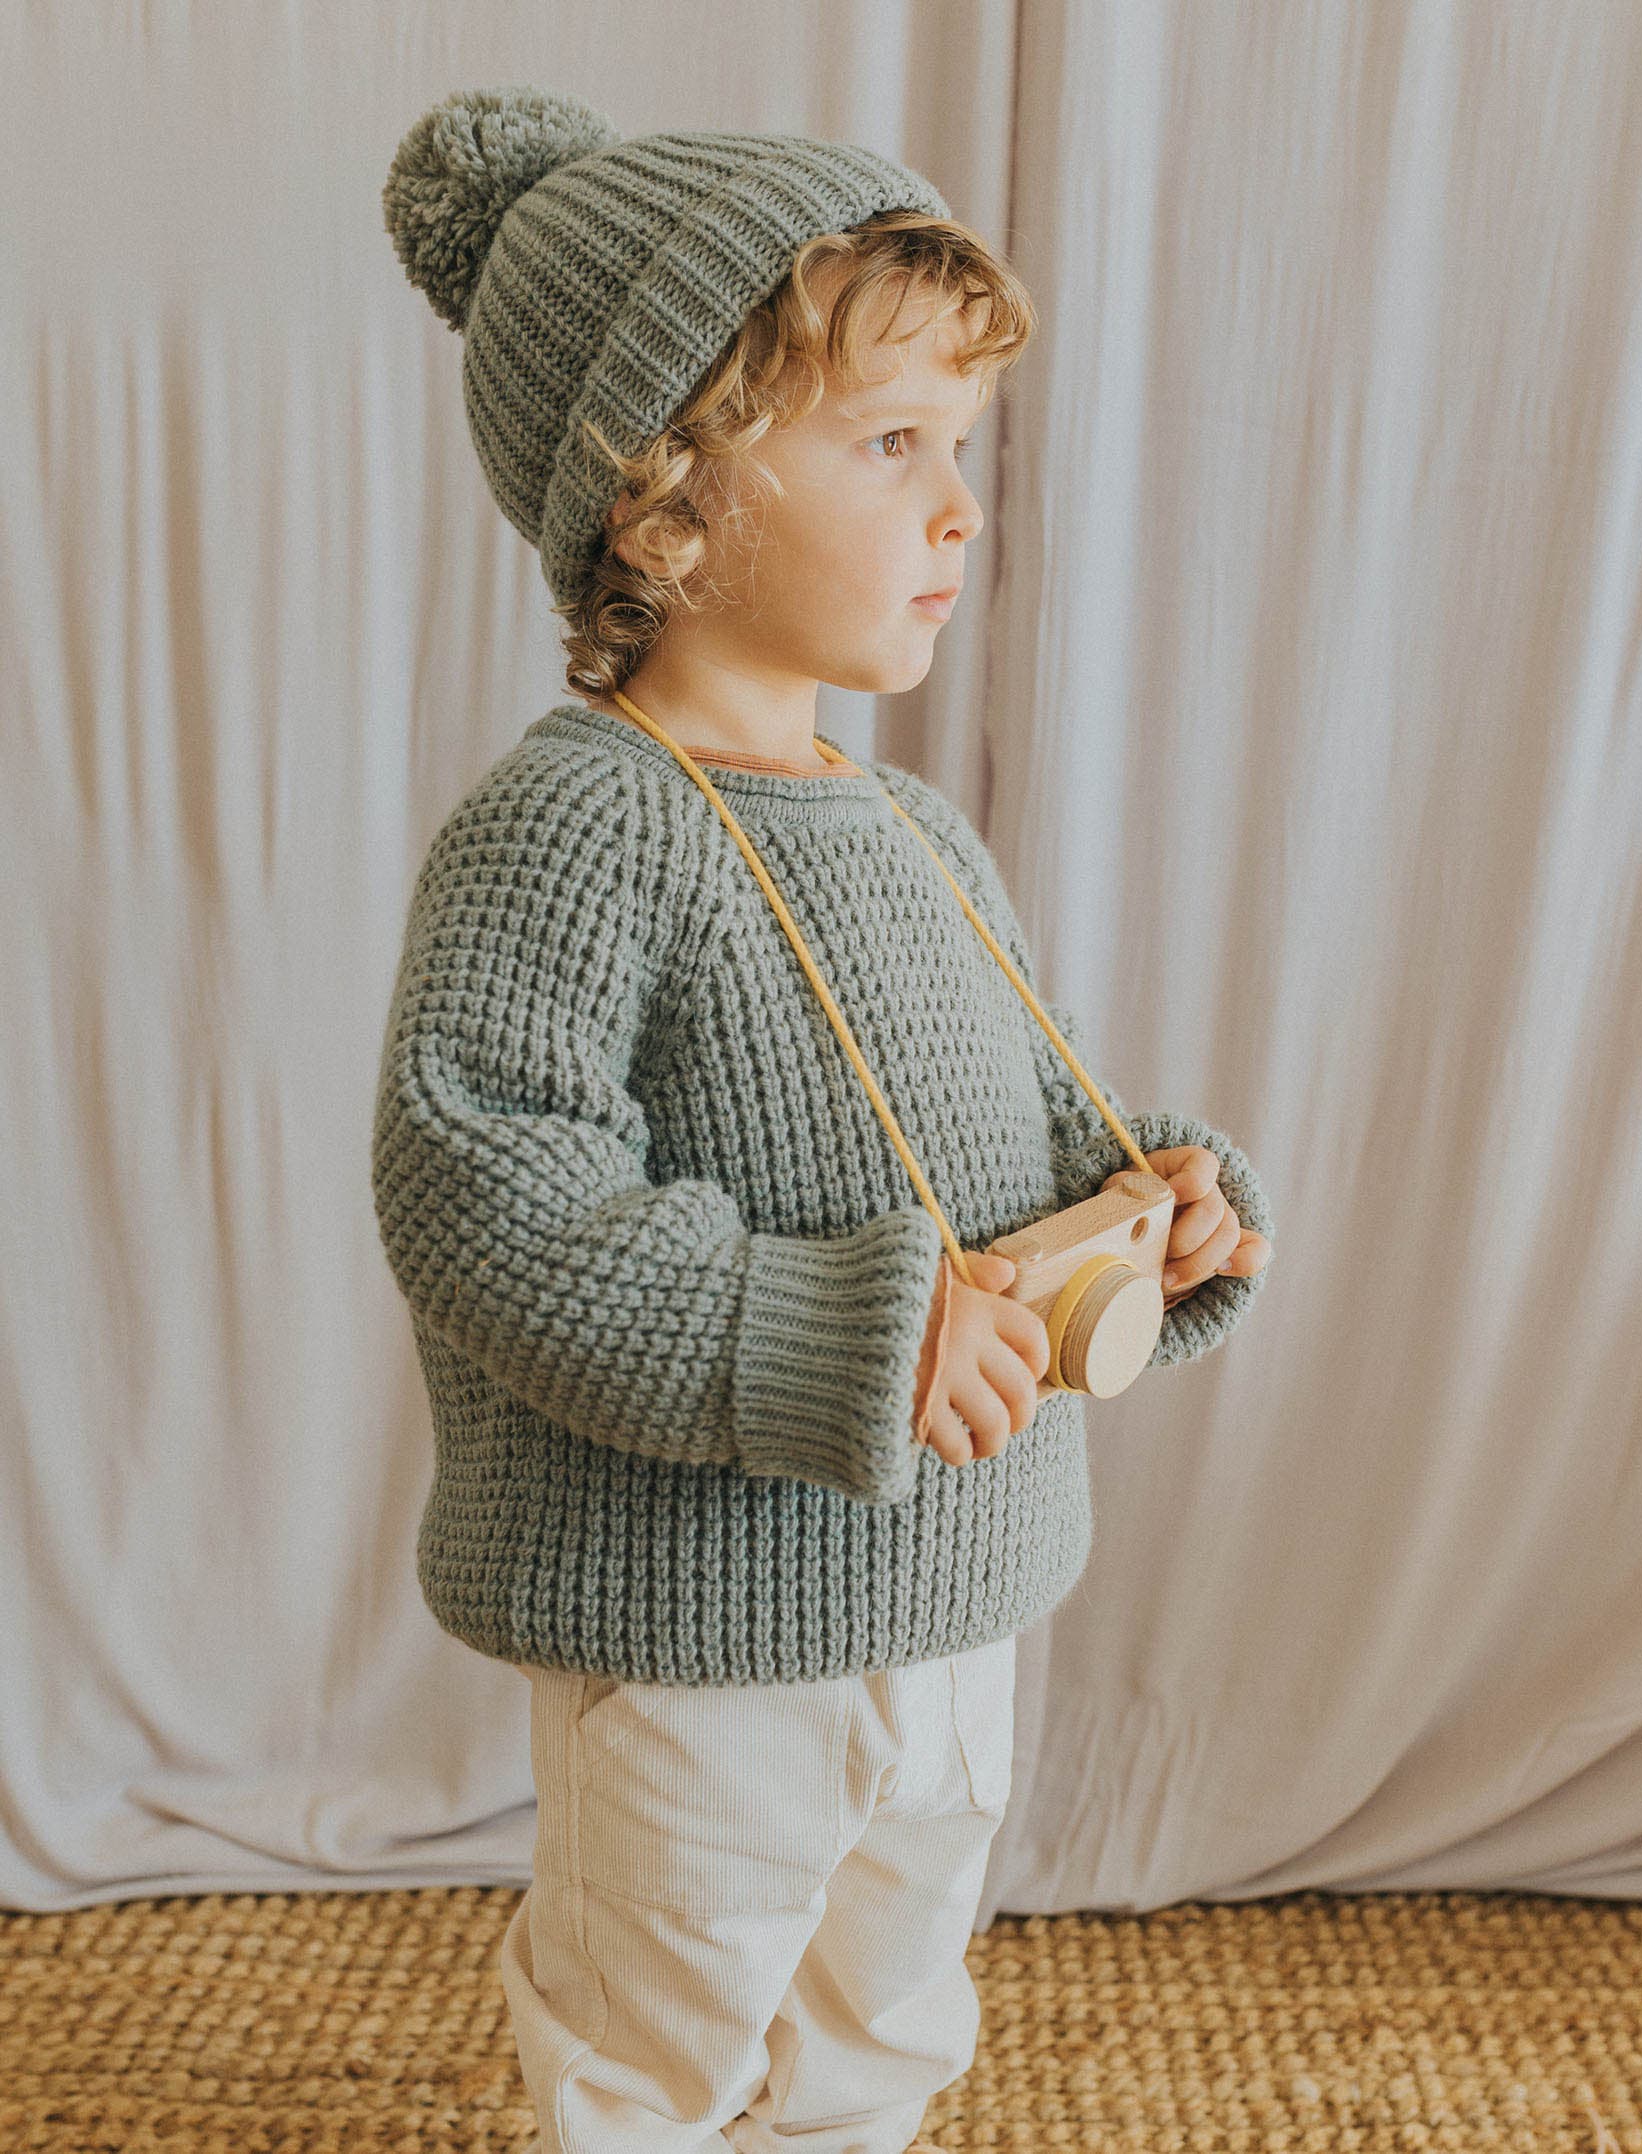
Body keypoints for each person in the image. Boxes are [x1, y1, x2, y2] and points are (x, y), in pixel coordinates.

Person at [374, 86, 1275, 2154]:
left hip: (951, 1601)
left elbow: (1024, 1135)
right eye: (892, 445)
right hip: (703, 1631)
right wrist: (834, 1330)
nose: (958, 508)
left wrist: (1153, 1204)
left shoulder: (915, 831)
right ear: (665, 504)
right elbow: (490, 1193)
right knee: (659, 2039)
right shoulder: (576, 824)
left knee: (883, 2023)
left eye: (960, 447)